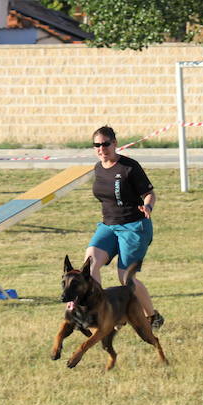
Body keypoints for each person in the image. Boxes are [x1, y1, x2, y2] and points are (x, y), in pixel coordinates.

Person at [83, 126, 164, 330]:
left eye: (105, 144)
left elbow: (150, 193)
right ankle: (102, 311)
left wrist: (148, 206)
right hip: (109, 226)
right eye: (97, 145)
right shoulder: (98, 168)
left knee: (125, 278)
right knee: (90, 263)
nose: (102, 149)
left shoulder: (129, 167)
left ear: (115, 143)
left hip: (134, 226)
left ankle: (152, 317)